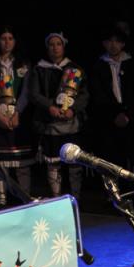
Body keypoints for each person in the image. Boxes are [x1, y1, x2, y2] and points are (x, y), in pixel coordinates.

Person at [0, 28, 36, 206]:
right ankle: (2, 198)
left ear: (15, 41)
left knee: (22, 160)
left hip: (19, 116)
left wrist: (17, 112)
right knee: (0, 161)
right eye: (3, 38)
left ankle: (25, 197)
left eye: (10, 38)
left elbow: (26, 91)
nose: (7, 42)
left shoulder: (23, 64)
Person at [30, 32, 89, 196]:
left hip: (71, 124)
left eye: (58, 44)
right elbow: (34, 94)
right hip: (50, 122)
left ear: (64, 46)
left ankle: (75, 197)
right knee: (53, 162)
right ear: (47, 48)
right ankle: (57, 198)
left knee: (74, 162)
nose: (55, 48)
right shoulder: (39, 69)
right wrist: (50, 106)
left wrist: (73, 109)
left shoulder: (75, 69)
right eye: (51, 44)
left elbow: (84, 94)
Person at [89, 26, 134, 171]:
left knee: (131, 158)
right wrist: (114, 115)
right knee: (111, 159)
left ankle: (131, 185)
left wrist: (128, 115)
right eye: (109, 41)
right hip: (108, 119)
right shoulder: (99, 65)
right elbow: (97, 95)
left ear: (123, 44)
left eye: (117, 41)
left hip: (130, 118)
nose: (113, 45)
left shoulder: (132, 63)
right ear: (104, 43)